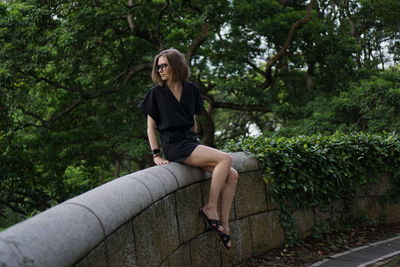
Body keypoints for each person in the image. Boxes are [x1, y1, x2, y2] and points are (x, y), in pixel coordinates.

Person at [138, 48, 238, 249]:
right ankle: (210, 207)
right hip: (174, 145)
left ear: (176, 65)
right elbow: (150, 127)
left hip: (190, 141)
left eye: (164, 65)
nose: (160, 70)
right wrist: (156, 155)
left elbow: (192, 118)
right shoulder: (156, 93)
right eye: (158, 67)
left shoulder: (191, 89)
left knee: (232, 175)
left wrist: (196, 141)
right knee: (225, 159)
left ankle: (225, 224)